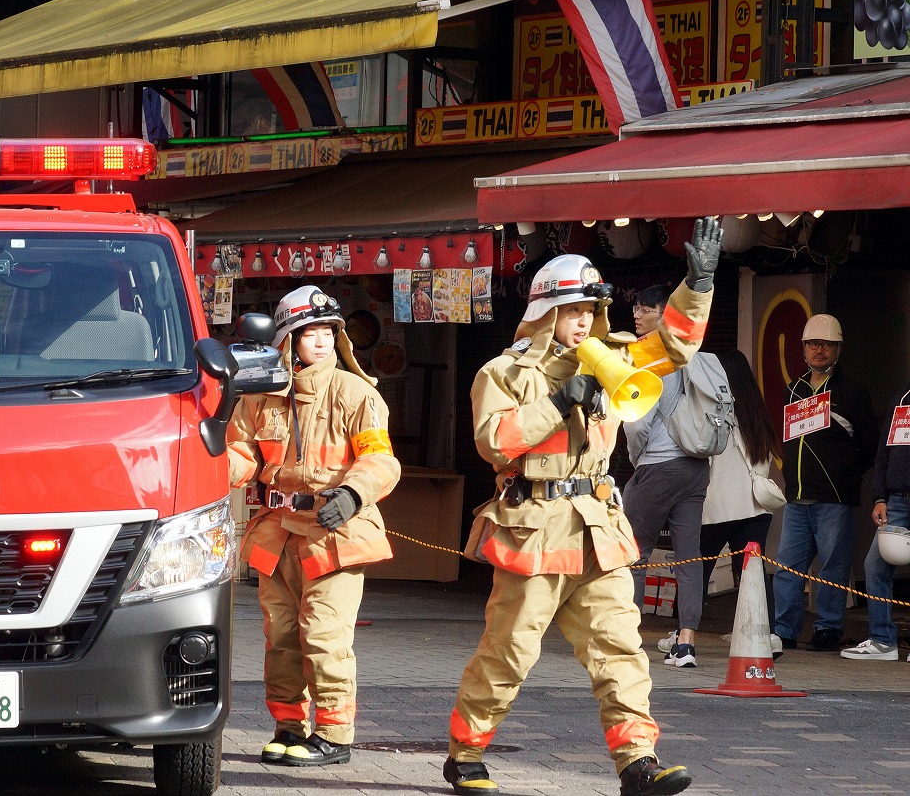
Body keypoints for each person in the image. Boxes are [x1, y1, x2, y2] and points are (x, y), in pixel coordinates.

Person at [444, 217, 721, 796]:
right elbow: (494, 440)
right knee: (509, 654)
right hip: (532, 531)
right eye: (574, 312)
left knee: (621, 649)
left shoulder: (612, 355)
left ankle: (638, 763)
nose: (585, 324)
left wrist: (698, 282)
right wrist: (558, 398)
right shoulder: (503, 372)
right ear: (545, 312)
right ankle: (465, 752)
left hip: (597, 527)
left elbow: (675, 345)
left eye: (591, 312)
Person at [227, 285, 401, 767]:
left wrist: (352, 494)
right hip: (276, 532)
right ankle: (288, 726)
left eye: (329, 331)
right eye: (310, 333)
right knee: (280, 638)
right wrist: (203, 456)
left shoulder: (356, 393)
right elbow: (240, 454)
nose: (321, 341)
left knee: (324, 636)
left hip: (335, 535)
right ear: (288, 340)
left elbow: (381, 459)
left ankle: (334, 734)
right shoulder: (261, 396)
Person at [622, 283, 715, 670]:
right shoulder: (695, 355)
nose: (637, 316)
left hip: (658, 465)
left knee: (633, 552)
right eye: (637, 310)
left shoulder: (650, 356)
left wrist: (636, 461)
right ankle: (686, 643)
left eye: (645, 309)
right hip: (696, 467)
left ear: (666, 313)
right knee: (689, 556)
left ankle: (628, 640)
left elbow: (637, 422)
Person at [772, 313, 876, 653]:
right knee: (788, 568)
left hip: (834, 496)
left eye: (827, 344)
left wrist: (845, 474)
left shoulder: (852, 392)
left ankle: (828, 629)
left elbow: (869, 444)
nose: (820, 350)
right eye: (814, 343)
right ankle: (783, 630)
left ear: (839, 349)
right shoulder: (794, 389)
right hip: (797, 496)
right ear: (803, 349)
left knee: (833, 568)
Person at [697, 351, 785, 612]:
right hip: (755, 507)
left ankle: (684, 634)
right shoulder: (757, 412)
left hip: (716, 509)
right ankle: (767, 636)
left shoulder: (716, 411)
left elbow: (703, 452)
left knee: (695, 574)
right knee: (753, 577)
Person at [840, 378, 910, 661]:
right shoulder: (902, 398)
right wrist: (880, 497)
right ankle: (883, 640)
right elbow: (884, 454)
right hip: (897, 501)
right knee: (875, 565)